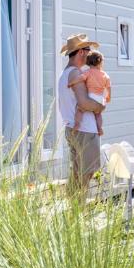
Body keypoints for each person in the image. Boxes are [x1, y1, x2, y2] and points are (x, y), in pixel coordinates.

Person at [58, 33, 104, 195]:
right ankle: (77, 209)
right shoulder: (75, 74)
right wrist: (99, 107)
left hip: (73, 129)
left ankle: (74, 210)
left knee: (78, 172)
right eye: (88, 50)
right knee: (86, 173)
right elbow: (84, 103)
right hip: (84, 130)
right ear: (81, 52)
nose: (90, 53)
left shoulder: (64, 74)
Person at [70, 50, 111, 136]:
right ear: (100, 62)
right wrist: (108, 97)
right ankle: (99, 128)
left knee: (80, 110)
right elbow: (108, 88)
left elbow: (80, 78)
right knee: (98, 115)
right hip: (100, 100)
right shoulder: (105, 75)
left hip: (91, 97)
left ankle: (77, 124)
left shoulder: (88, 72)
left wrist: (72, 82)